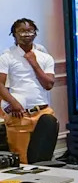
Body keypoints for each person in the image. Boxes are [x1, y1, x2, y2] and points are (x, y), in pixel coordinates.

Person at [0, 18, 55, 162]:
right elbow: (0, 84)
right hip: (19, 114)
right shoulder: (6, 57)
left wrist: (34, 63)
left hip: (43, 112)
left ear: (35, 33)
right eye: (21, 31)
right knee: (22, 160)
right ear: (14, 34)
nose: (26, 34)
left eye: (30, 31)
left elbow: (49, 84)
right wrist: (13, 103)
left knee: (44, 158)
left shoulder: (45, 57)